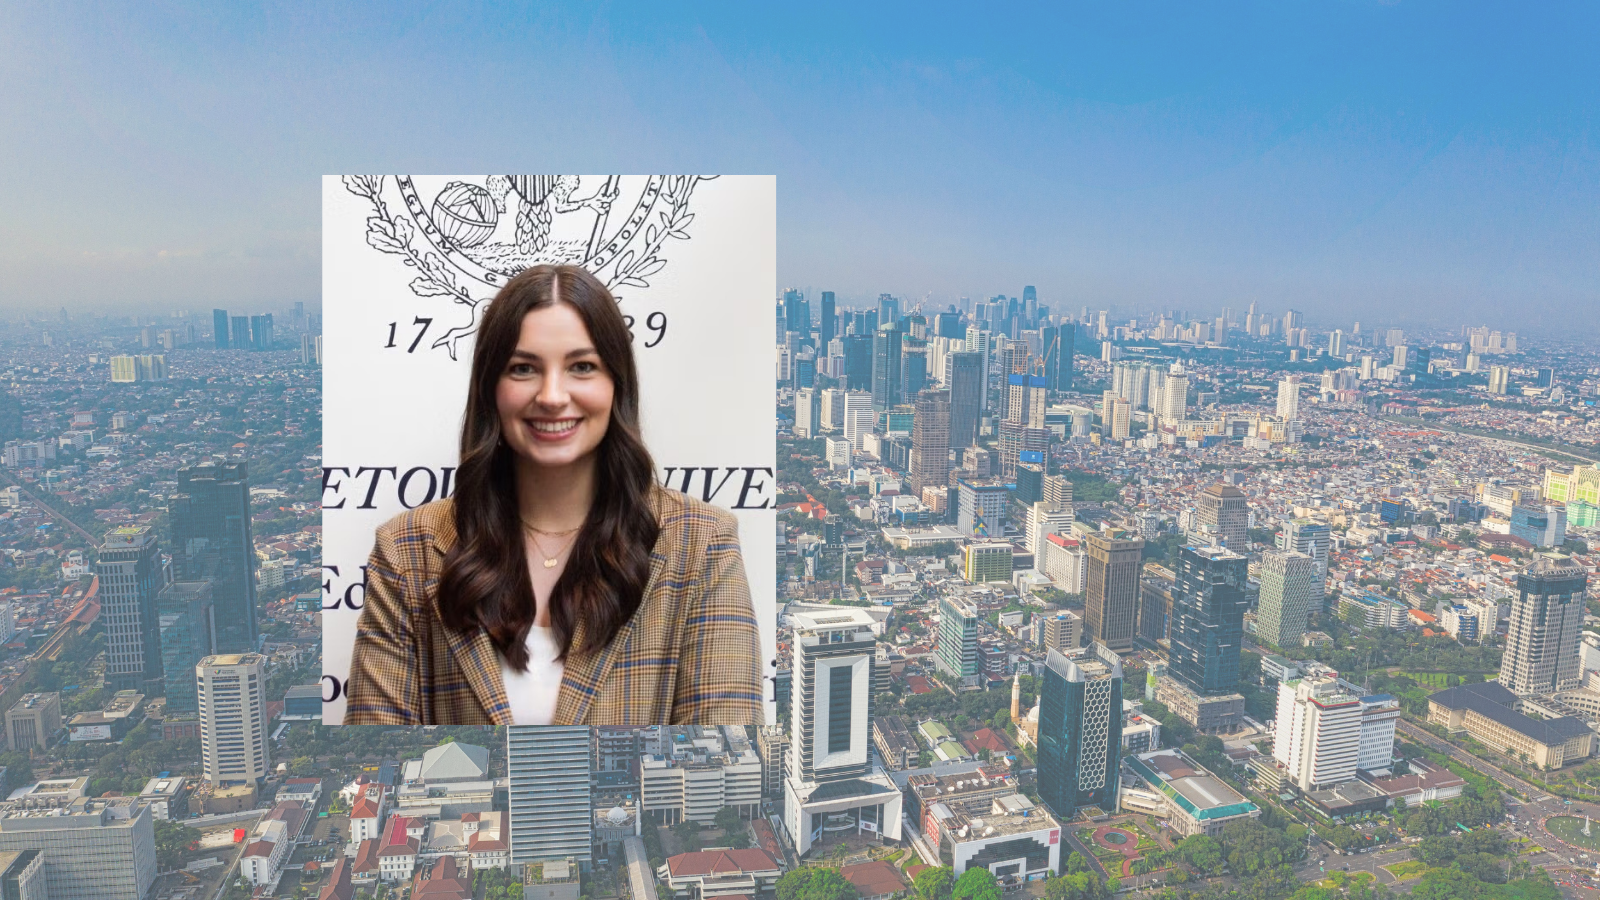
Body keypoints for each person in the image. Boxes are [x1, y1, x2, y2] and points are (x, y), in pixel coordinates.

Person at [344, 264, 762, 725]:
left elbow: (723, 753)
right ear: (491, 390)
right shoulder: (406, 550)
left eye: (582, 367)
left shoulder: (703, 546)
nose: (552, 395)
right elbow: (377, 748)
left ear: (616, 386)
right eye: (524, 369)